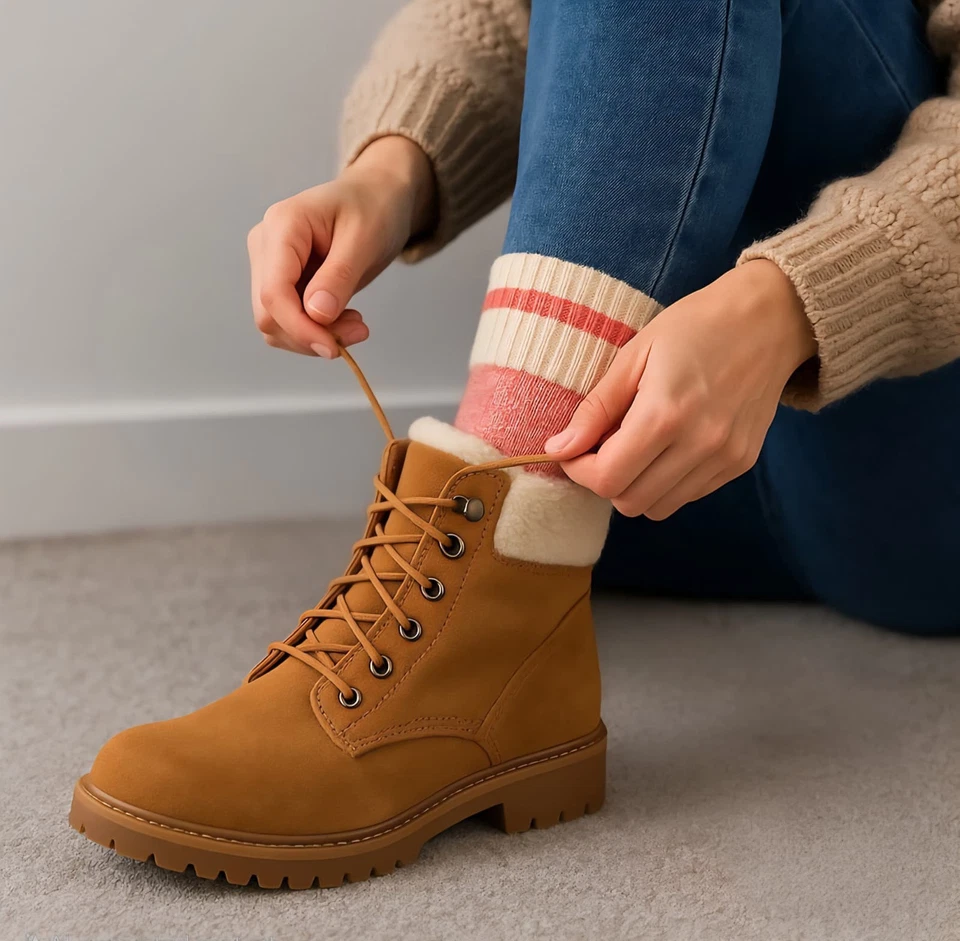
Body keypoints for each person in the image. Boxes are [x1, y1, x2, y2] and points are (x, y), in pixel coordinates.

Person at [69, 0, 960, 888]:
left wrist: (783, 311)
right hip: (635, 464)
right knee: (546, 520)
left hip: (907, 465)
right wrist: (394, 168)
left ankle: (492, 573)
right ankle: (515, 589)